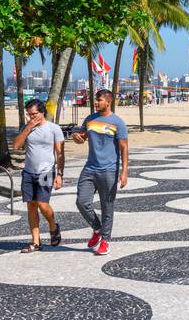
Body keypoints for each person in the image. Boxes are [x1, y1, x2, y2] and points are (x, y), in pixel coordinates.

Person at [69, 89, 128, 256]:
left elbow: (124, 148)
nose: (96, 103)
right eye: (96, 100)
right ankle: (97, 229)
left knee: (107, 206)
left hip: (109, 170)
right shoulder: (90, 119)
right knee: (82, 201)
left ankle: (105, 241)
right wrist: (76, 137)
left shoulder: (118, 122)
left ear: (108, 102)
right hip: (90, 168)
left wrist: (124, 172)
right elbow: (80, 137)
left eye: (99, 100)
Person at [12, 98, 65, 253]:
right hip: (28, 172)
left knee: (42, 204)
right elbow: (16, 146)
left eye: (34, 114)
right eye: (29, 114)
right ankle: (36, 242)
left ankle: (53, 226)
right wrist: (28, 127)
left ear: (42, 113)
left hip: (47, 171)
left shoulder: (54, 129)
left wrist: (59, 174)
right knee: (31, 205)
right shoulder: (26, 127)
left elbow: (60, 154)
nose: (31, 117)